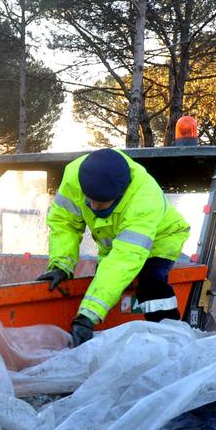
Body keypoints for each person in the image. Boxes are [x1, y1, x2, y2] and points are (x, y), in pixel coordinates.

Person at [35, 148, 191, 346]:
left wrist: (88, 315)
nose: (93, 207)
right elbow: (64, 223)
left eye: (101, 203)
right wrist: (61, 264)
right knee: (105, 283)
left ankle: (169, 342)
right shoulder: (75, 176)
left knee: (151, 284)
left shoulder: (144, 200)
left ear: (121, 194)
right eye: (89, 199)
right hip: (114, 246)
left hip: (162, 238)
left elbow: (123, 260)